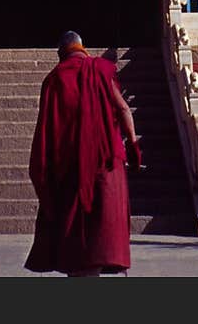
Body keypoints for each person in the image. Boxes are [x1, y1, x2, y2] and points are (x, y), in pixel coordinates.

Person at [24, 30, 142, 277]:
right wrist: (132, 144)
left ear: (61, 53)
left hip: (72, 168)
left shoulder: (55, 79)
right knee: (101, 233)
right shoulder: (100, 69)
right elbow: (123, 109)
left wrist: (45, 172)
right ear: (82, 48)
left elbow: (47, 129)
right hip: (105, 165)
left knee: (75, 239)